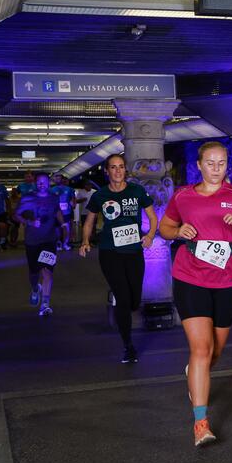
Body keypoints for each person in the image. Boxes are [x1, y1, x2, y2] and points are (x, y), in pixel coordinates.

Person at [159, 141, 232, 446]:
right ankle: (201, 423)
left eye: (221, 163)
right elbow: (166, 227)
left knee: (214, 352)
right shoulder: (183, 196)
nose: (216, 169)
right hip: (190, 276)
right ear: (199, 165)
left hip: (228, 279)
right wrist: (178, 231)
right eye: (210, 163)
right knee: (202, 350)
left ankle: (194, 370)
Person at [79, 155, 157, 363]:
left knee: (134, 299)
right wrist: (85, 240)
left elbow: (152, 216)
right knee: (123, 298)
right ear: (107, 171)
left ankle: (124, 301)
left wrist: (149, 236)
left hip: (133, 251)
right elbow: (90, 221)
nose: (117, 171)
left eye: (121, 167)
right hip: (109, 252)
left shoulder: (137, 191)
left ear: (125, 170)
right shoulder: (100, 195)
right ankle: (128, 346)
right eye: (113, 167)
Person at [13, 172, 64, 317]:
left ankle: (45, 305)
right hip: (32, 241)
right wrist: (29, 222)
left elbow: (57, 211)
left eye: (45, 181)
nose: (42, 184)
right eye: (39, 182)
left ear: (49, 183)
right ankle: (35, 288)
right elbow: (15, 215)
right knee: (34, 273)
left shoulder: (54, 198)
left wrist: (64, 224)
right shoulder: (28, 198)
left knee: (47, 271)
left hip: (49, 240)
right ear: (36, 183)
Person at [51, 174, 76, 251]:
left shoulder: (69, 189)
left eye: (59, 178)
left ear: (62, 179)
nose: (57, 180)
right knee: (57, 229)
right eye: (56, 178)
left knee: (66, 228)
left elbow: (73, 198)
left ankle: (65, 243)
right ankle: (58, 243)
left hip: (66, 212)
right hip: (56, 213)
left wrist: (73, 204)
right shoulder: (52, 189)